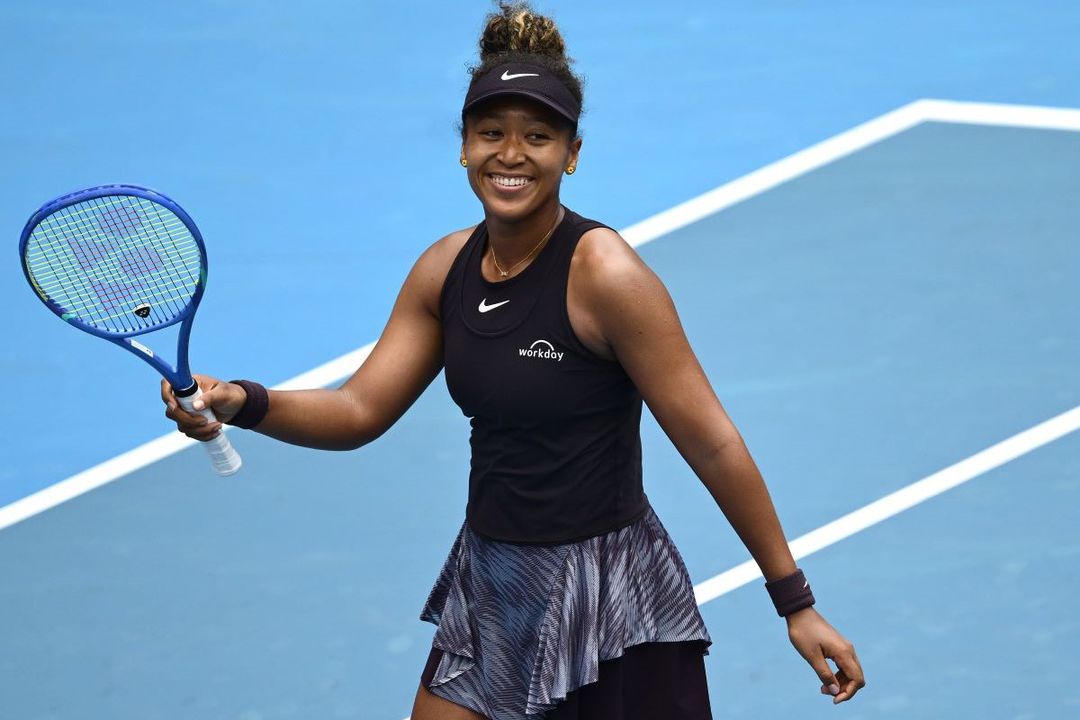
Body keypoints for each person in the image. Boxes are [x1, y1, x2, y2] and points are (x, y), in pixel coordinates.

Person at [162, 3, 866, 718]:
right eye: (491, 132)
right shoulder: (444, 269)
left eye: (538, 136)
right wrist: (243, 402)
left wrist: (794, 601)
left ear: (572, 152)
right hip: (492, 580)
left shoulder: (606, 275)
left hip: (605, 597)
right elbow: (358, 409)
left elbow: (711, 441)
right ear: (464, 146)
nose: (511, 154)